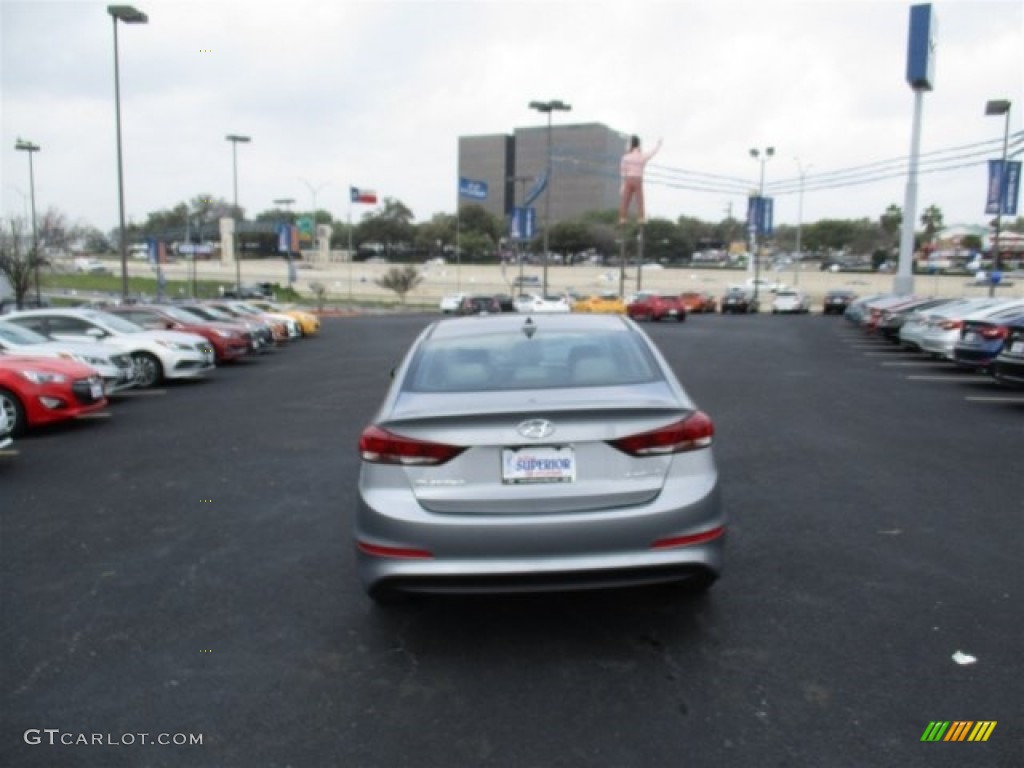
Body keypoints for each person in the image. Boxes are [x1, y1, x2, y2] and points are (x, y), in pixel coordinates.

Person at [619, 135, 662, 225]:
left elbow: (623, 171)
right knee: (640, 200)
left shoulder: (626, 157)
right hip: (638, 179)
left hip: (628, 179)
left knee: (625, 200)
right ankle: (640, 219)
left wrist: (623, 185)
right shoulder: (642, 156)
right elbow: (652, 152)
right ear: (638, 145)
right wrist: (658, 145)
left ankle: (623, 219)